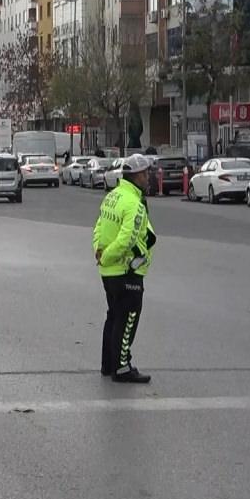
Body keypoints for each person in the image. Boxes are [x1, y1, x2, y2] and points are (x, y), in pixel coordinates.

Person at [92, 153, 157, 383]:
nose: (148, 177)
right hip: (126, 270)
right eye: (146, 173)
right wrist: (108, 256)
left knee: (113, 316)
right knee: (128, 318)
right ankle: (122, 367)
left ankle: (108, 364)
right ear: (136, 176)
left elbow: (99, 227)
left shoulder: (112, 196)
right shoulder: (133, 203)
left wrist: (99, 252)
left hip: (108, 272)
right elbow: (127, 239)